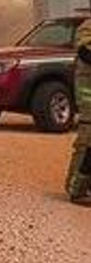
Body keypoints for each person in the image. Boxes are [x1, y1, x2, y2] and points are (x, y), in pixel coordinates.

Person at [66, 19, 91, 203]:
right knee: (87, 140)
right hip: (88, 94)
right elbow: (85, 52)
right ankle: (77, 188)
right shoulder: (88, 27)